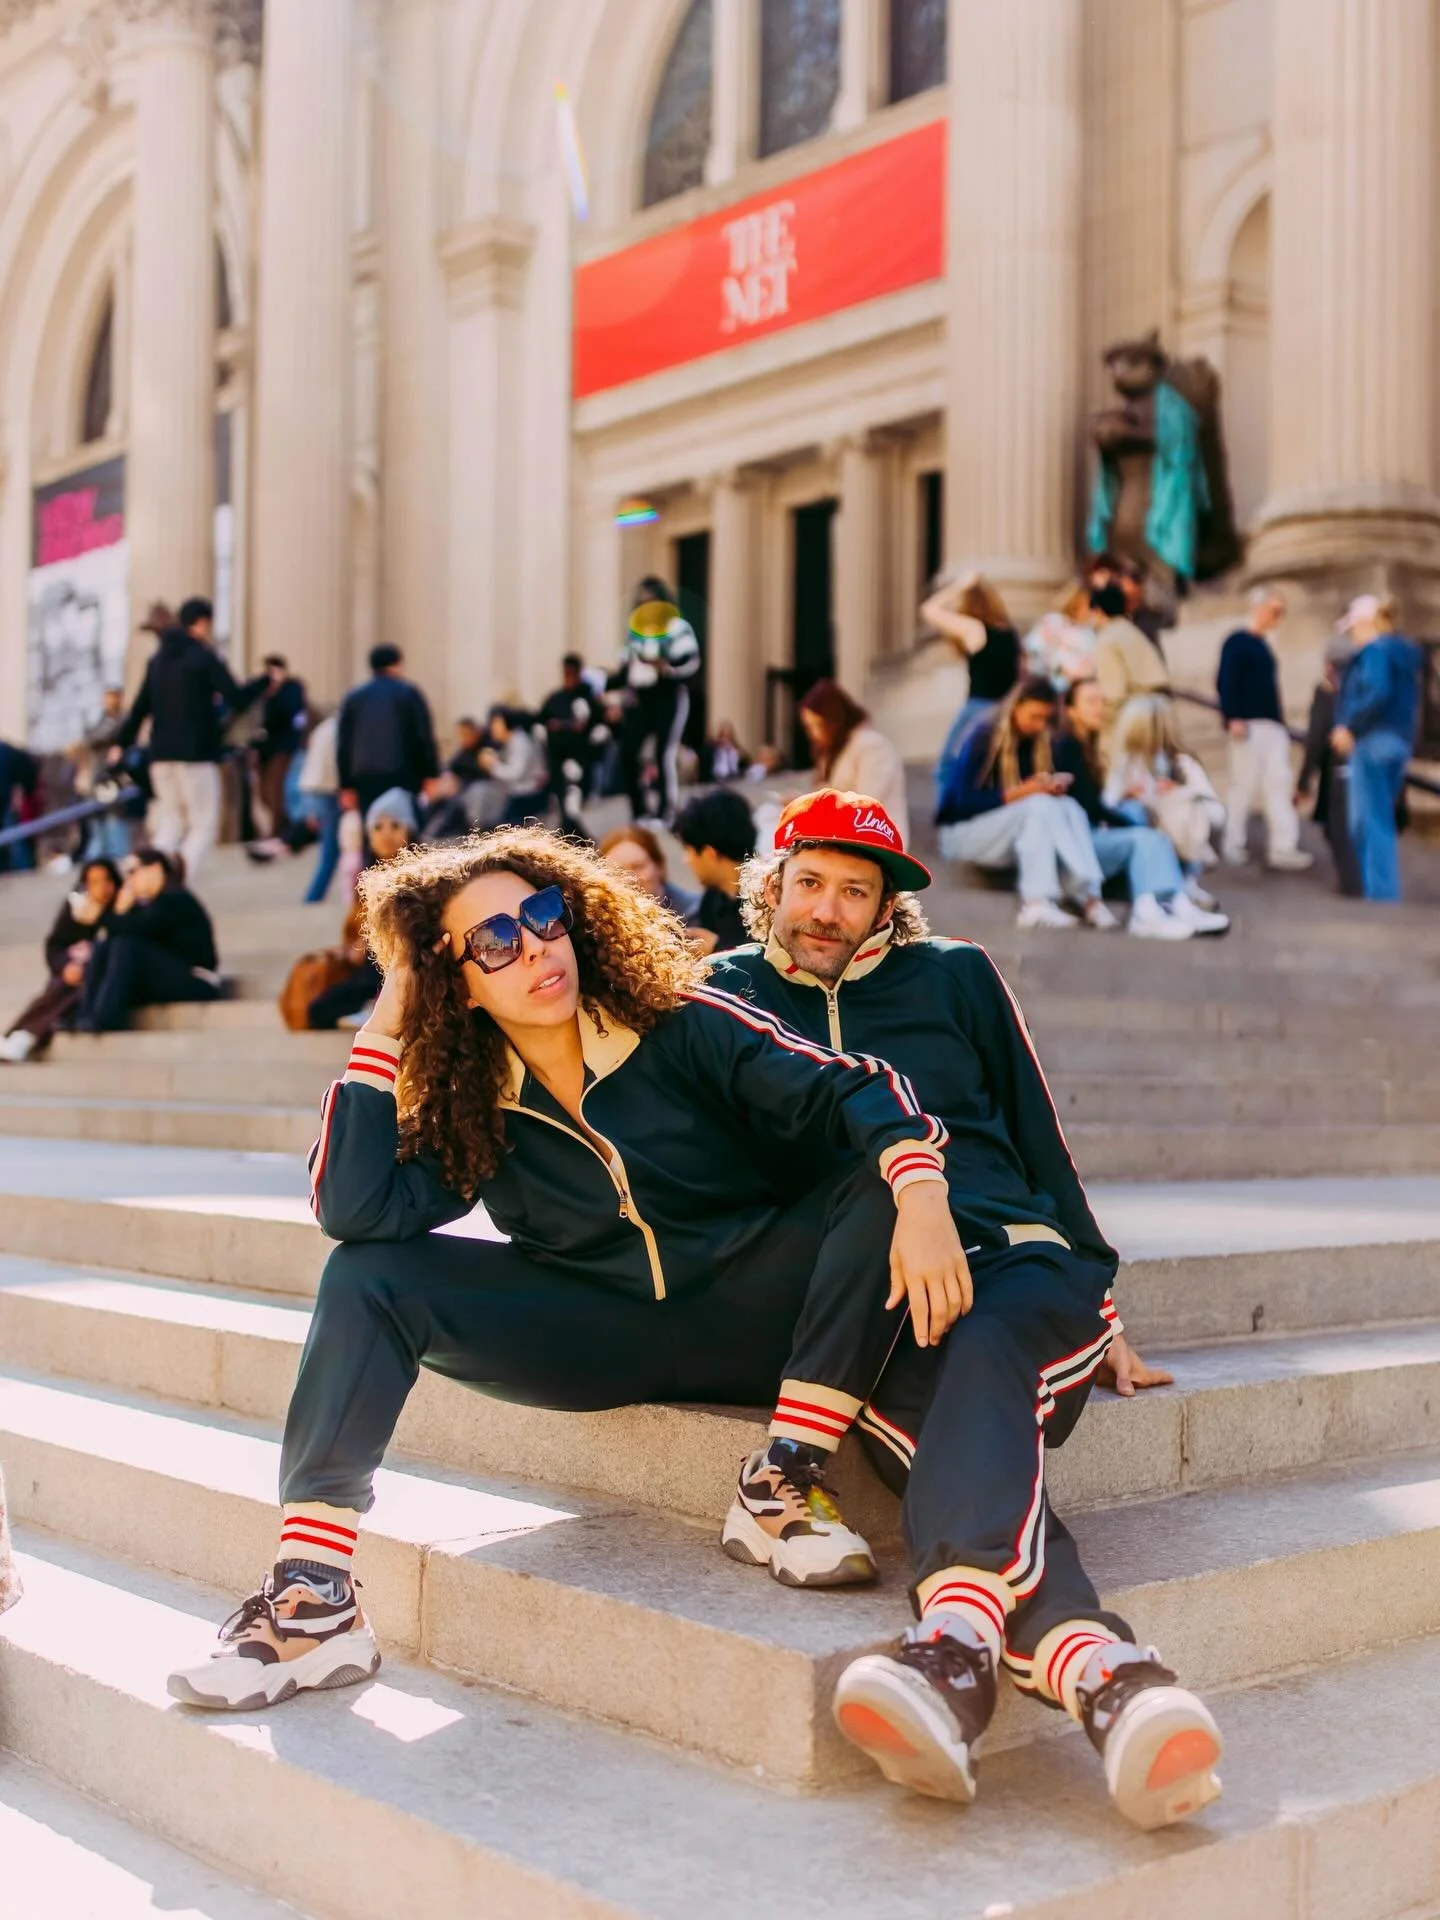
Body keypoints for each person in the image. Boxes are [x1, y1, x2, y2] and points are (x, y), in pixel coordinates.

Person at [166, 827, 965, 1709]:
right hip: (595, 1335)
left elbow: (855, 1086)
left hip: (758, 1308)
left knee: (881, 1175)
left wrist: (922, 1190)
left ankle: (782, 1477)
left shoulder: (681, 1021)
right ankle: (314, 1598)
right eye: (494, 944)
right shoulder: (473, 1099)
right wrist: (387, 1019)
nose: (534, 950)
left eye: (542, 918)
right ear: (456, 981)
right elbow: (357, 1211)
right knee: (368, 1277)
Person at [720, 788, 1218, 1829]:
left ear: (885, 907)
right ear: (772, 882)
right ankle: (1108, 1676)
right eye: (809, 881)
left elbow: (1040, 1131)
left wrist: (1104, 1300)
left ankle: (951, 1646)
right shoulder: (725, 998)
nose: (828, 908)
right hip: (880, 1308)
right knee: (947, 1403)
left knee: (988, 1344)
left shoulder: (955, 975)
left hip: (1020, 1268)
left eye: (856, 892)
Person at [935, 679, 1117, 933]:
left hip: (1009, 835)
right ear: (1016, 706)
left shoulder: (1037, 743)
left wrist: (1047, 786)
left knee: (1067, 806)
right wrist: (1024, 791)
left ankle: (1089, 898)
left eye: (1045, 719)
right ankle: (1036, 901)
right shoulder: (984, 736)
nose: (1039, 725)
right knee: (1039, 805)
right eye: (1034, 716)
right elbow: (962, 805)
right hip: (962, 834)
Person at [1055, 681, 1228, 938]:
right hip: (1077, 844)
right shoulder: (1067, 747)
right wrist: (1130, 815)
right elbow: (1089, 806)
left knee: (1145, 827)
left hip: (1092, 836)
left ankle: (1171, 902)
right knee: (1145, 832)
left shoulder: (1091, 747)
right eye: (1091, 701)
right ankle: (1151, 909)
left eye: (1102, 701)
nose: (1100, 708)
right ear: (1071, 710)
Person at [110, 602, 241, 882]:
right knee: (203, 824)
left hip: (160, 756)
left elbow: (139, 709)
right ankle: (177, 881)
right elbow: (235, 695)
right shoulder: (203, 657)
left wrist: (120, 743)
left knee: (170, 824)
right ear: (202, 623)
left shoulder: (157, 661)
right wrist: (264, 682)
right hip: (196, 755)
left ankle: (141, 875)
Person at [1331, 594, 1424, 903]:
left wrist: (1349, 725)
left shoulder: (1376, 650)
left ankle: (1381, 896)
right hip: (1397, 740)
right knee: (1369, 818)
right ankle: (1378, 891)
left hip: (1372, 741)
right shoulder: (1401, 653)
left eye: (1353, 628)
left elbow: (1376, 690)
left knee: (1370, 820)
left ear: (1366, 623)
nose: (1352, 636)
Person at [74, 848, 220, 1033]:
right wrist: (116, 915)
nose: (129, 880)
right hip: (173, 975)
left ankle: (106, 1016)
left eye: (133, 872)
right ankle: (86, 1015)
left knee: (125, 947)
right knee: (105, 946)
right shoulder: (151, 904)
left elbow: (137, 931)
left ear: (155, 869)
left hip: (197, 981)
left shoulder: (175, 898)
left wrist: (105, 916)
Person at [303, 791, 415, 1031]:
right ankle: (370, 1005)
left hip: (402, 963)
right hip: (368, 966)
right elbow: (355, 925)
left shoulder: (418, 876)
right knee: (317, 1010)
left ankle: (376, 1005)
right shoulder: (368, 877)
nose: (386, 834)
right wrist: (355, 944)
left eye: (395, 825)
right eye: (378, 827)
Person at [1216, 590, 1310, 871]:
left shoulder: (1264, 645)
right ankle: (1232, 843)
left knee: (1278, 784)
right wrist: (1233, 716)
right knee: (1242, 786)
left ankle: (1283, 846)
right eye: (1274, 610)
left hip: (1272, 725)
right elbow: (1225, 680)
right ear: (1258, 608)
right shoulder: (1237, 642)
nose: (1277, 617)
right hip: (1248, 725)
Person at [0, 856, 121, 1062]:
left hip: (106, 978)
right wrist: (65, 966)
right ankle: (16, 1035)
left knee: (76, 991)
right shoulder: (77, 906)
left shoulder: (122, 908)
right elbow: (55, 945)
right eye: (93, 882)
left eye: (105, 881)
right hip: (75, 974)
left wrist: (101, 918)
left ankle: (27, 1036)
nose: (101, 888)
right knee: (60, 987)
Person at [921, 573, 1021, 806]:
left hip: (978, 709)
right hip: (1003, 710)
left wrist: (958, 585)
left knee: (947, 767)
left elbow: (930, 610)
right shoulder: (1010, 633)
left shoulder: (976, 629)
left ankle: (948, 820)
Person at [1105, 696, 1225, 884]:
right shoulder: (1126, 764)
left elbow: (1216, 813)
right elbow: (1108, 803)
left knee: (1183, 810)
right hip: (1145, 831)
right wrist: (1127, 796)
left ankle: (1186, 881)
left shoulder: (1182, 763)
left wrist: (1181, 792)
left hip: (1179, 834)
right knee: (1132, 811)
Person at [616, 576, 700, 821]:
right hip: (640, 697)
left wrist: (667, 666)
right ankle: (639, 809)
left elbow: (690, 660)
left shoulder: (676, 626)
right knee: (627, 751)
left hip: (668, 693)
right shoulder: (635, 629)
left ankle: (666, 812)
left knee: (664, 751)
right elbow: (626, 665)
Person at [336, 644, 440, 818]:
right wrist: (430, 774)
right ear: (397, 664)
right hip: (403, 774)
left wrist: (345, 785)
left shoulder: (354, 697)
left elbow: (344, 744)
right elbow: (423, 737)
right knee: (404, 829)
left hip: (364, 777)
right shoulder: (409, 694)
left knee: (373, 830)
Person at [797, 680, 910, 841]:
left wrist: (812, 806)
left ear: (833, 720)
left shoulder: (871, 745)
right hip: (846, 839)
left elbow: (866, 801)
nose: (815, 733)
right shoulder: (834, 750)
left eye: (819, 724)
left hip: (879, 841)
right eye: (810, 726)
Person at [1297, 641, 1362, 896]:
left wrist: (1304, 780)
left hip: (1336, 769)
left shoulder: (1327, 691)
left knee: (1338, 828)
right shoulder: (1361, 687)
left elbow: (1316, 737)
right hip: (1360, 767)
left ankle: (1351, 887)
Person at [673, 787, 757, 953]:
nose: (686, 860)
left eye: (688, 851)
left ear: (709, 853)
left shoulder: (768, 898)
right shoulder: (712, 901)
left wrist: (717, 949)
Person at [1088, 581, 1170, 735]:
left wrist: (1105, 726)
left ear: (1098, 611)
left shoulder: (1107, 639)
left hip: (1136, 712)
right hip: (1161, 707)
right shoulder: (1131, 631)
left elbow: (1114, 692)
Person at [243, 655, 308, 839]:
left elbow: (289, 712)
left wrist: (275, 693)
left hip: (284, 747)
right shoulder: (260, 690)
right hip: (264, 748)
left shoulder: (291, 689)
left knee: (276, 788)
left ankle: (277, 831)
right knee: (263, 792)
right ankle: (286, 825)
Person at [539, 655, 600, 826]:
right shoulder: (555, 699)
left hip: (579, 758)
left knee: (574, 802)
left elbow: (594, 724)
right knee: (562, 804)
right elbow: (541, 720)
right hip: (557, 758)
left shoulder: (587, 699)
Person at [598, 823, 699, 919]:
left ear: (659, 865)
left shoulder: (697, 914)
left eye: (637, 867)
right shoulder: (601, 925)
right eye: (617, 872)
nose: (629, 879)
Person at [1022, 583, 1098, 693]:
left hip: (1078, 688)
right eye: (1087, 605)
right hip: (1046, 684)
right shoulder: (1053, 622)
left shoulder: (1090, 632)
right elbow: (1033, 648)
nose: (1091, 610)